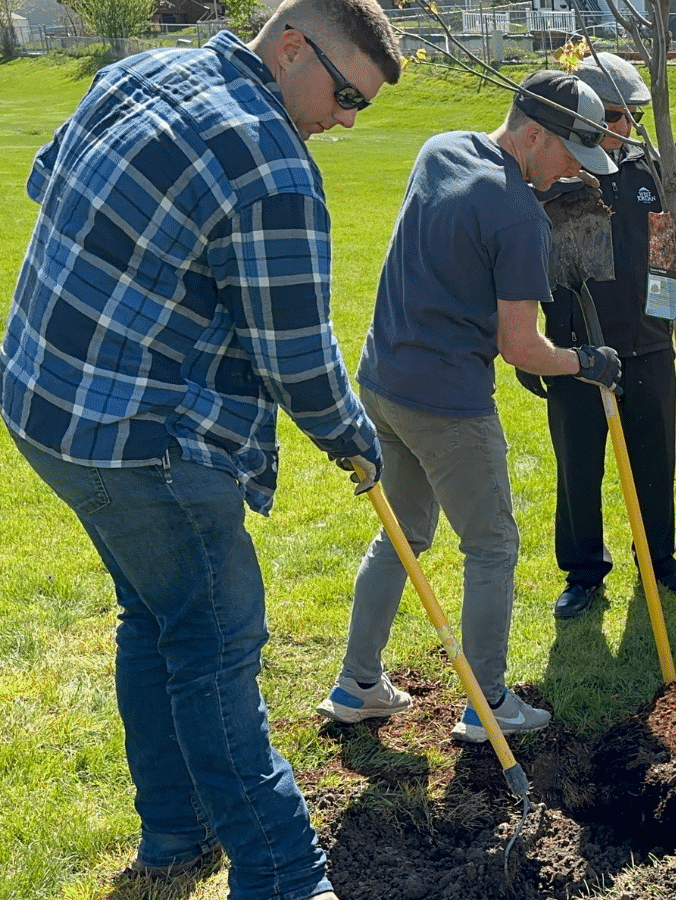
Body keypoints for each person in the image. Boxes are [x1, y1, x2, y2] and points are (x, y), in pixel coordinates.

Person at [2, 1, 402, 896]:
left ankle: (176, 834)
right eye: (345, 97)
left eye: (358, 109)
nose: (343, 121)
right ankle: (286, 878)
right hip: (138, 446)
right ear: (292, 46)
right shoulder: (273, 167)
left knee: (158, 617)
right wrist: (352, 438)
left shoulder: (146, 71)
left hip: (41, 406)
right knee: (217, 643)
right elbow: (297, 354)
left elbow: (48, 184)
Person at [314, 72, 624, 743]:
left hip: (383, 383)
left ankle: (358, 684)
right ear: (534, 131)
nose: (574, 170)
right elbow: (522, 348)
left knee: (403, 534)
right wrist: (584, 361)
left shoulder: (442, 148)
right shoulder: (518, 216)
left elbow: (452, 260)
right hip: (448, 403)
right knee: (491, 545)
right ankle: (486, 706)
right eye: (569, 154)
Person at [518, 52, 676, 618]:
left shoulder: (651, 169)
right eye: (619, 117)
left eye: (636, 116)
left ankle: (659, 559)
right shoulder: (554, 171)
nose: (629, 128)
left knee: (655, 460)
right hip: (575, 351)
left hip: (648, 343)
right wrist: (534, 351)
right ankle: (582, 571)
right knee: (578, 466)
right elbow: (526, 263)